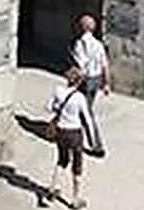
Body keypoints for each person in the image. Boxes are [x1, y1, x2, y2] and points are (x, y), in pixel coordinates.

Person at [46, 66, 92, 209]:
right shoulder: (79, 98)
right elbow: (87, 119)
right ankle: (75, 199)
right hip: (75, 133)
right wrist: (92, 139)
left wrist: (59, 109)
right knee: (77, 165)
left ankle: (52, 188)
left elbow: (49, 107)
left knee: (62, 159)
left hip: (61, 131)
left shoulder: (58, 91)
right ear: (78, 82)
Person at [70, 14, 110, 156]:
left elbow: (80, 67)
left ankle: (96, 146)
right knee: (85, 109)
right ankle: (76, 138)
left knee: (86, 113)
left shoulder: (80, 44)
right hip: (97, 79)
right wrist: (106, 84)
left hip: (86, 81)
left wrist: (73, 84)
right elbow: (105, 65)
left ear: (82, 27)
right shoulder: (98, 44)